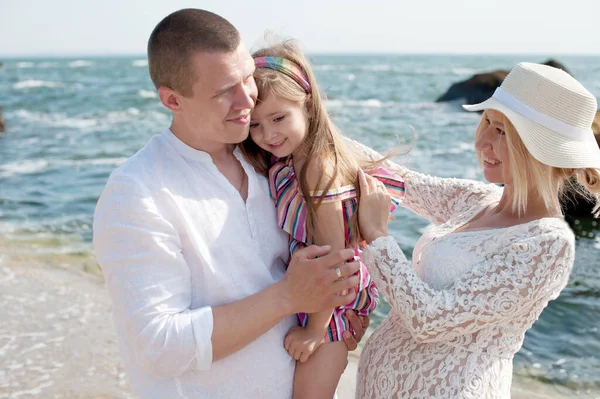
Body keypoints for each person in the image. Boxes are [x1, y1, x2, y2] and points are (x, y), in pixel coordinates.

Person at [92, 9, 369, 399]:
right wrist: (290, 296)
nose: (246, 101)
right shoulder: (137, 192)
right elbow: (159, 346)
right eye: (225, 91)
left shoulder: (271, 158)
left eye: (247, 79)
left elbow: (380, 186)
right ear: (172, 99)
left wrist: (336, 314)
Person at [353, 62, 600, 398]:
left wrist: (378, 236)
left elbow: (429, 320)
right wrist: (309, 123)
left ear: (539, 151)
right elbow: (396, 179)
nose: (482, 142)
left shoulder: (548, 244)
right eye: (487, 123)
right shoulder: (478, 198)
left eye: (501, 132)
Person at [239, 42, 405, 398]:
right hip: (315, 297)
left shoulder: (316, 166)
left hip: (332, 307)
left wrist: (316, 329)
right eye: (255, 124)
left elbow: (336, 259)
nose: (268, 134)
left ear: (308, 106)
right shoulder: (286, 161)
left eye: (279, 118)